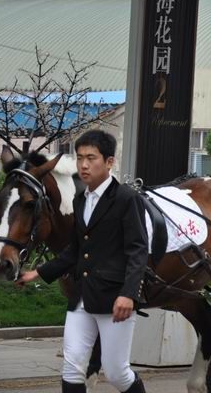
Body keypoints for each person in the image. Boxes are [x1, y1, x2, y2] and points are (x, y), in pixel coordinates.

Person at [18, 130, 148, 393]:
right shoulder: (80, 200)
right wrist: (39, 273)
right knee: (72, 367)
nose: (84, 165)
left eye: (91, 158)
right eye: (79, 158)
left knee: (117, 373)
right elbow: (74, 250)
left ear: (109, 162)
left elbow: (138, 251)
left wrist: (129, 294)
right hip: (81, 297)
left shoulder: (126, 199)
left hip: (115, 300)